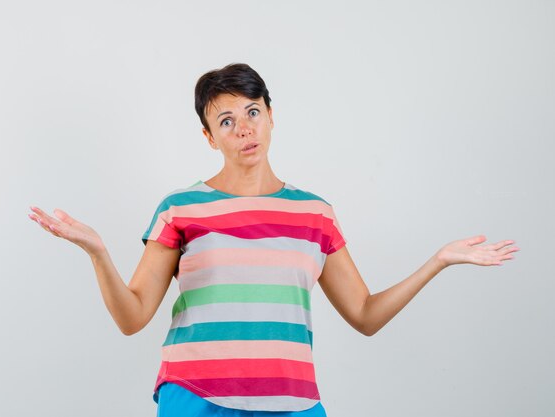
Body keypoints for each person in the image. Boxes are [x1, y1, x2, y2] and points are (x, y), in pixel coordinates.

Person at [28, 63, 519, 416]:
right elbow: (133, 317)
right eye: (226, 121)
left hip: (292, 403)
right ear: (208, 137)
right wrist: (98, 252)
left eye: (252, 112)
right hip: (196, 398)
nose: (244, 129)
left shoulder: (315, 213)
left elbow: (365, 316)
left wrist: (438, 261)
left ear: (270, 114)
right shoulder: (180, 208)